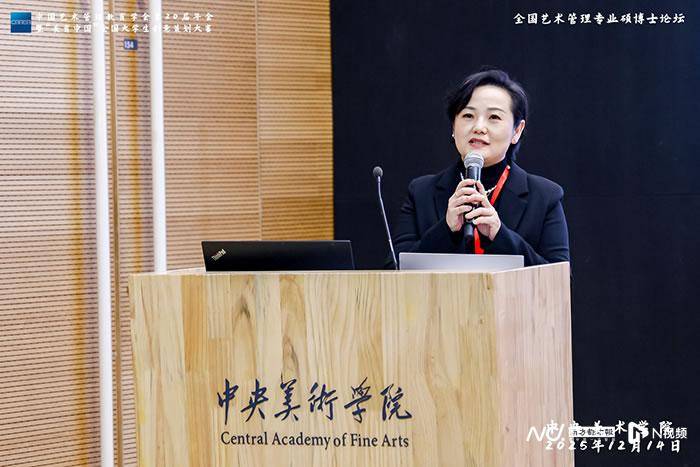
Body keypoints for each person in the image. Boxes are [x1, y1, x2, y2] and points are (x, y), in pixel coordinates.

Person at [392, 69, 570, 267]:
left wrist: (500, 235)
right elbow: (393, 271)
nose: (478, 127)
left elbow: (559, 278)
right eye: (468, 115)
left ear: (516, 131)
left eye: (494, 117)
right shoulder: (421, 193)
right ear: (453, 127)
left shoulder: (545, 197)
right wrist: (445, 229)